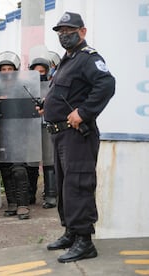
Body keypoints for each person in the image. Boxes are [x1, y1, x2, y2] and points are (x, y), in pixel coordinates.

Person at [40, 12, 115, 263]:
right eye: (60, 31)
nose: (64, 35)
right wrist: (46, 105)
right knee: (64, 186)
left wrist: (83, 112)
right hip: (61, 136)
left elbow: (106, 84)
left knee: (78, 185)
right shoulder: (67, 59)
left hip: (77, 137)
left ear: (82, 31)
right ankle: (71, 232)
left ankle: (85, 241)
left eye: (69, 30)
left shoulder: (87, 58)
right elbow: (65, 92)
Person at [0, 51, 31, 219]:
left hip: (18, 134)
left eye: (10, 68)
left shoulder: (23, 87)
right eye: (4, 69)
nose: (7, 71)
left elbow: (30, 109)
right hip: (0, 134)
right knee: (5, 168)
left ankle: (23, 204)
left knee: (18, 169)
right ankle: (12, 203)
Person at [27, 50, 57, 209]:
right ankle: (30, 194)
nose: (39, 74)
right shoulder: (25, 86)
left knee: (49, 160)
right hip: (31, 129)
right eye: (35, 71)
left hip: (47, 127)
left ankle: (51, 194)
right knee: (31, 161)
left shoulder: (53, 86)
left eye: (42, 71)